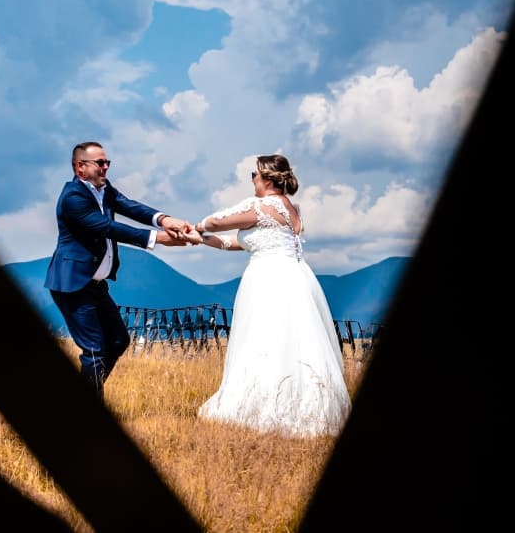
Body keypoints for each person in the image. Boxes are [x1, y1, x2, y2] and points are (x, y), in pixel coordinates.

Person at [192, 154, 351, 438]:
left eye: (253, 174)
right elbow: (235, 243)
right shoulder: (290, 209)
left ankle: (263, 409)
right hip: (291, 276)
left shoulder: (263, 206)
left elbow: (217, 223)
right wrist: (199, 238)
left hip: (270, 280)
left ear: (266, 178)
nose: (251, 179)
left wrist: (200, 225)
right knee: (289, 340)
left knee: (265, 338)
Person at [44, 141, 193, 399]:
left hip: (97, 286)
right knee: (94, 350)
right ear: (80, 167)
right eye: (99, 163)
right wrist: (158, 238)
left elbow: (129, 206)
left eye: (107, 162)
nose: (105, 168)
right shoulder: (73, 198)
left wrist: (164, 219)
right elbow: (107, 228)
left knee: (118, 340)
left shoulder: (104, 190)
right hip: (73, 284)